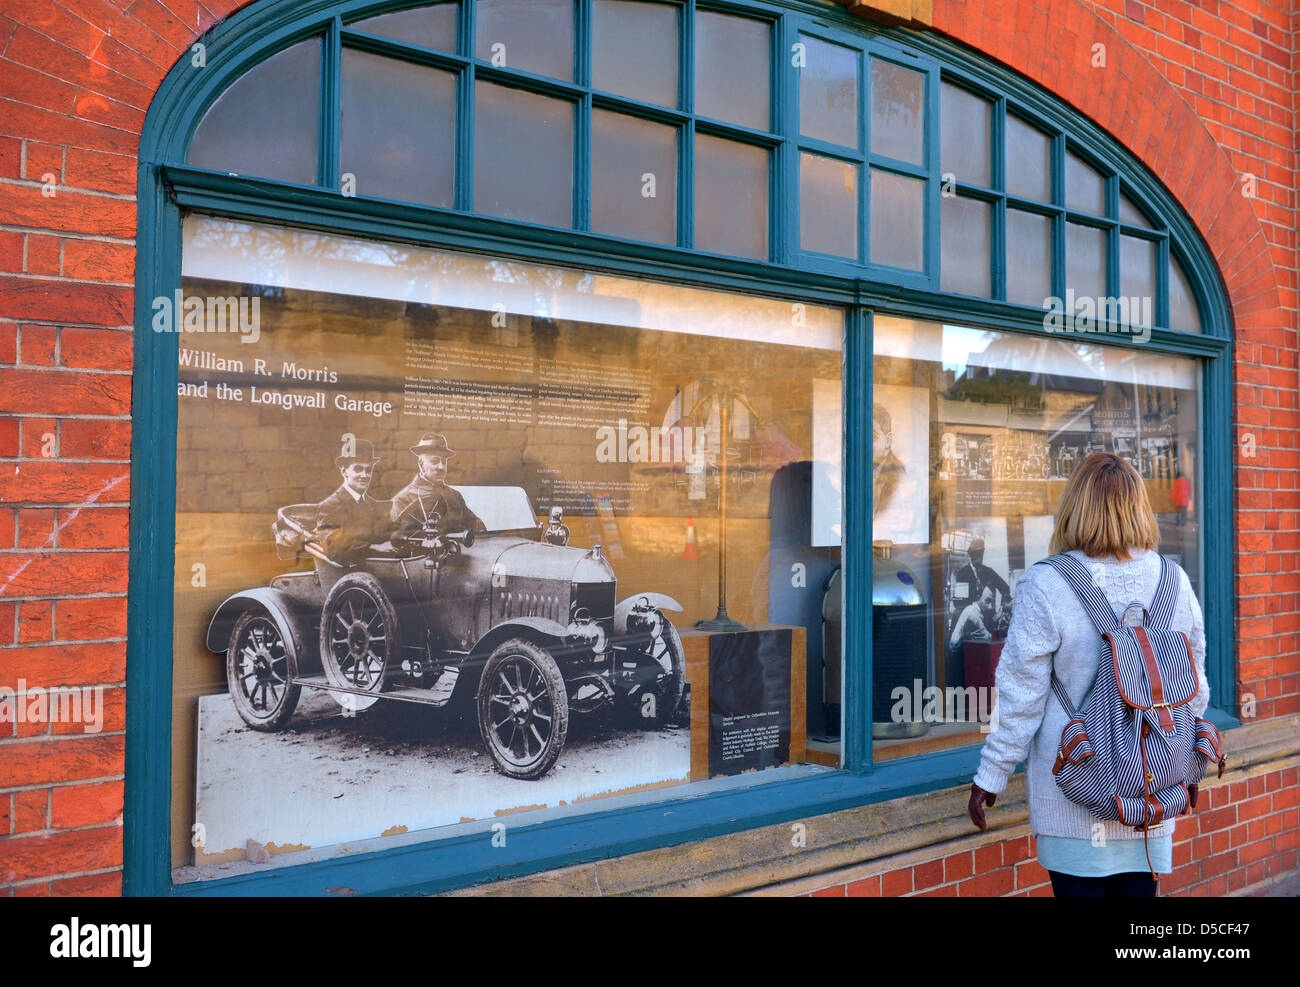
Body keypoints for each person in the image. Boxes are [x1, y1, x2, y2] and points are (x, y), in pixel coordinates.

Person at [968, 452, 1208, 898]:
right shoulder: (1174, 581)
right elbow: (1194, 692)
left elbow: (1022, 697)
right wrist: (1188, 762)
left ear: (1075, 506)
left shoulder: (1046, 584)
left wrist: (992, 775)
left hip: (1074, 794)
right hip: (1152, 794)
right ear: (1139, 507)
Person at [390, 432, 486, 543]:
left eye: (444, 462)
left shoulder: (454, 496)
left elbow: (477, 527)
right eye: (434, 462)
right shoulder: (403, 499)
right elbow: (399, 543)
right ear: (421, 464)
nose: (441, 467)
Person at [314, 438, 394, 560]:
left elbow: (386, 533)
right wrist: (372, 547)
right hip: (350, 573)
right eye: (358, 469)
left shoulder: (373, 505)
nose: (364, 475)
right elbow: (334, 547)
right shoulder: (330, 506)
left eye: (368, 470)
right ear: (344, 471)